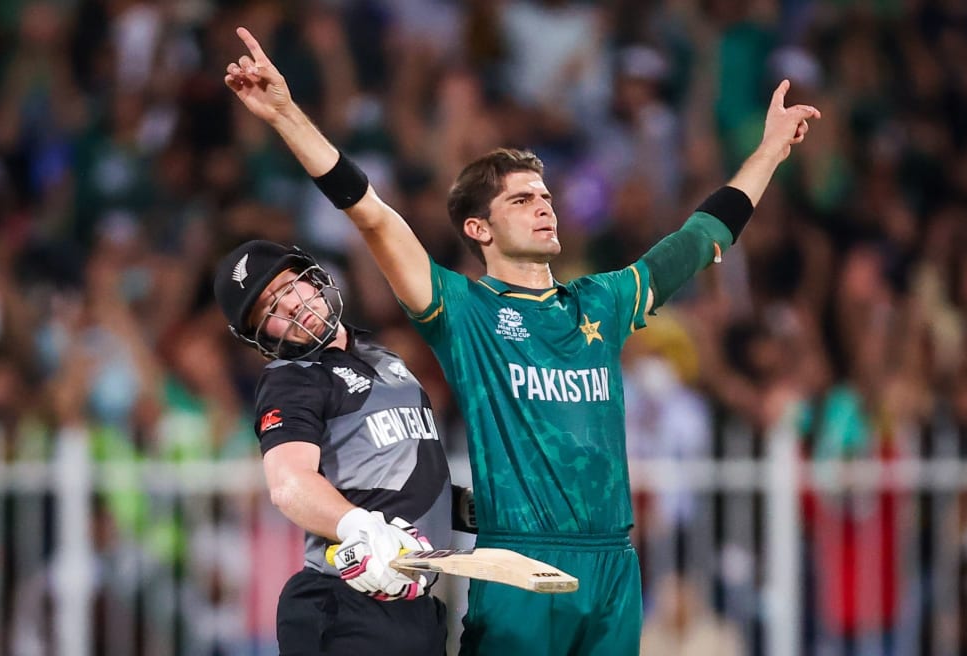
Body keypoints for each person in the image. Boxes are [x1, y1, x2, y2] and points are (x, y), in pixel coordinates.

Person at [223, 26, 819, 655]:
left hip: (615, 562)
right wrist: (288, 115)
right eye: (522, 198)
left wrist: (771, 152)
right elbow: (370, 211)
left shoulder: (602, 302)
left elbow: (702, 239)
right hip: (518, 565)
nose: (544, 206)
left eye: (545, 194)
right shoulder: (461, 311)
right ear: (478, 227)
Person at [211, 240, 475, 655]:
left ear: (314, 279)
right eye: (270, 309)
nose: (292, 306)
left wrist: (461, 508)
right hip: (342, 603)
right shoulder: (291, 378)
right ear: (259, 336)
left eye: (289, 286)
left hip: (415, 608)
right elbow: (288, 482)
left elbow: (394, 473)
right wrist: (359, 526)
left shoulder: (385, 357)